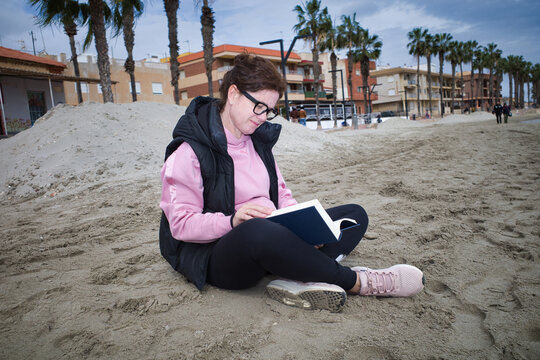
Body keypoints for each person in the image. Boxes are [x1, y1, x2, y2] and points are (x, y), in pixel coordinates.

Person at [159, 54, 424, 312]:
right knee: (257, 230)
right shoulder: (188, 152)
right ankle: (357, 282)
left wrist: (306, 227)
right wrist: (232, 221)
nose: (263, 117)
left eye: (270, 110)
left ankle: (296, 276)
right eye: (259, 107)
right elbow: (181, 225)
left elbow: (281, 193)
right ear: (233, 94)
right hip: (219, 254)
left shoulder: (258, 140)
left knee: (354, 216)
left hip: (271, 236)